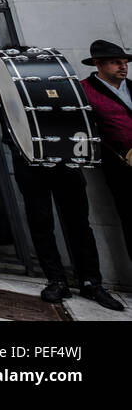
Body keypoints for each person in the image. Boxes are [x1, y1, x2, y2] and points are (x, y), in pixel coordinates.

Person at [0, 68, 123, 310]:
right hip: (28, 161)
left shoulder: (46, 83)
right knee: (40, 221)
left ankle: (91, 281)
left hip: (64, 159)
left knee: (78, 221)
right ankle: (56, 279)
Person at [80, 39, 132, 269]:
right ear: (98, 64)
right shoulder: (85, 90)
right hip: (120, 165)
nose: (123, 67)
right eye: (116, 63)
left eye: (124, 62)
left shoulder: (131, 87)